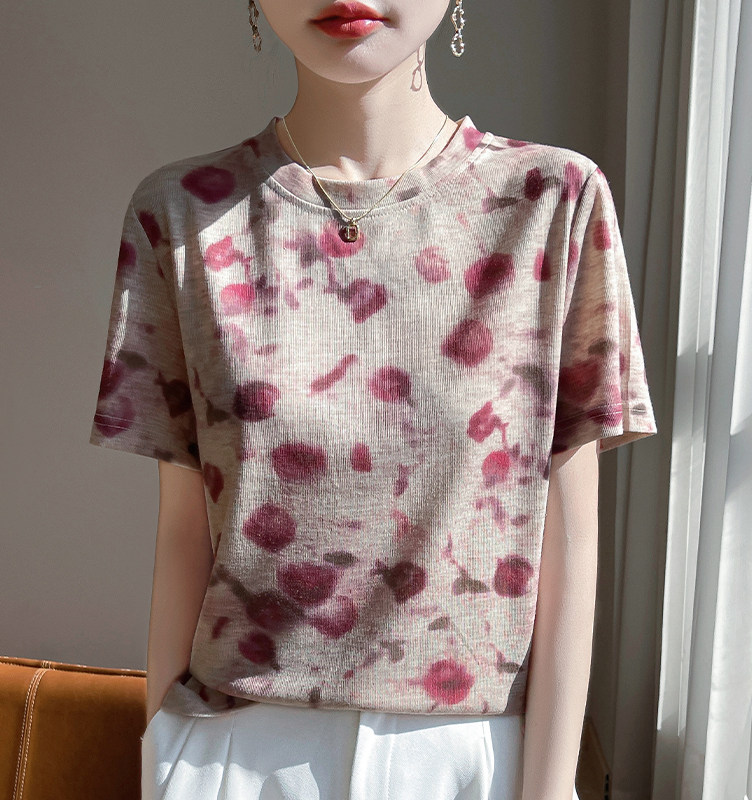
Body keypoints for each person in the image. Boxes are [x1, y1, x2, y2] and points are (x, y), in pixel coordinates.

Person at [88, 1, 658, 798]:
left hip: (466, 754)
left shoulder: (551, 201)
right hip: (232, 752)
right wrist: (161, 758)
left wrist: (549, 786)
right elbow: (184, 530)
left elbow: (568, 540)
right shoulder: (183, 214)